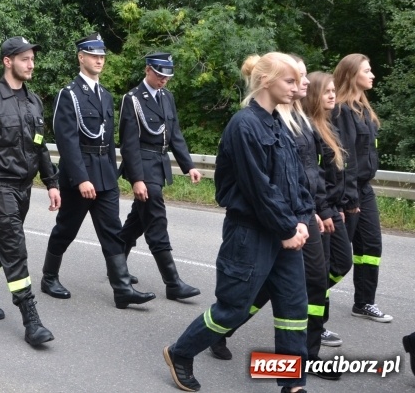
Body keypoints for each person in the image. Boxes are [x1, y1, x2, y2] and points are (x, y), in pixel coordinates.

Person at [163, 52, 311, 393]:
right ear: (265, 81)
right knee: (232, 309)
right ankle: (180, 352)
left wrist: (301, 220)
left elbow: (295, 180)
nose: (295, 87)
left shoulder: (278, 122)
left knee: (293, 311)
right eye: (289, 81)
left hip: (284, 231)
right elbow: (258, 188)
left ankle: (292, 384)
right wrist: (287, 228)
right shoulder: (244, 125)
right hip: (251, 233)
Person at [41, 33, 154, 308]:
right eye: (94, 55)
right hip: (80, 175)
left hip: (105, 173)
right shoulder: (69, 94)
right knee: (66, 229)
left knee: (112, 231)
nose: (99, 60)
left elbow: (108, 138)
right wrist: (80, 179)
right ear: (81, 57)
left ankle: (122, 289)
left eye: (102, 56)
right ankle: (48, 277)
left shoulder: (105, 94)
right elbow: (66, 140)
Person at [0, 36, 61, 347]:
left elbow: (39, 145)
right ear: (8, 61)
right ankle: (31, 318)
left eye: (32, 58)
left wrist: (52, 181)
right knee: (15, 246)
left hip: (23, 186)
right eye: (24, 59)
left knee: (1, 241)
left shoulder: (34, 101)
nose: (31, 64)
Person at [118, 52, 202, 300]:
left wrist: (189, 166)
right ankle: (173, 282)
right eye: (159, 75)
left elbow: (175, 134)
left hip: (159, 164)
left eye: (167, 76)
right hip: (143, 166)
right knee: (156, 221)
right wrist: (137, 179)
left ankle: (116, 266)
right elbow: (129, 143)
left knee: (137, 220)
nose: (164, 80)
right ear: (148, 70)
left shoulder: (167, 97)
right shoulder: (132, 99)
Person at [332, 54, 391, 322]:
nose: (372, 75)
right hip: (349, 192)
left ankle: (364, 302)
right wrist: (349, 198)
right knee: (337, 259)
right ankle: (310, 308)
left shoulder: (363, 109)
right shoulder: (342, 110)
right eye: (367, 71)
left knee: (371, 249)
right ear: (351, 74)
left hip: (365, 190)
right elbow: (345, 158)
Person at [302, 71, 353, 349]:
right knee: (316, 277)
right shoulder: (309, 128)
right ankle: (313, 328)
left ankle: (306, 298)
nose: (333, 95)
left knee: (341, 264)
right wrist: (324, 210)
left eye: (334, 90)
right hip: (319, 211)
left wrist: (339, 206)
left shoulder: (328, 125)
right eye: (326, 91)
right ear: (313, 95)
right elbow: (315, 177)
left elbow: (335, 175)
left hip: (332, 208)